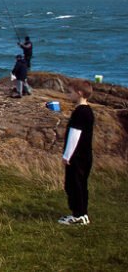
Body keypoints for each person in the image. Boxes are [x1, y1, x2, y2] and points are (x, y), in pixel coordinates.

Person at [59, 79, 94, 225]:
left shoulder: (80, 112)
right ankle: (82, 214)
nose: (69, 95)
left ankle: (78, 215)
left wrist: (67, 156)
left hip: (77, 156)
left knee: (73, 185)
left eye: (71, 92)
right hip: (85, 155)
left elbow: (75, 135)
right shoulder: (88, 110)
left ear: (79, 93)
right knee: (81, 184)